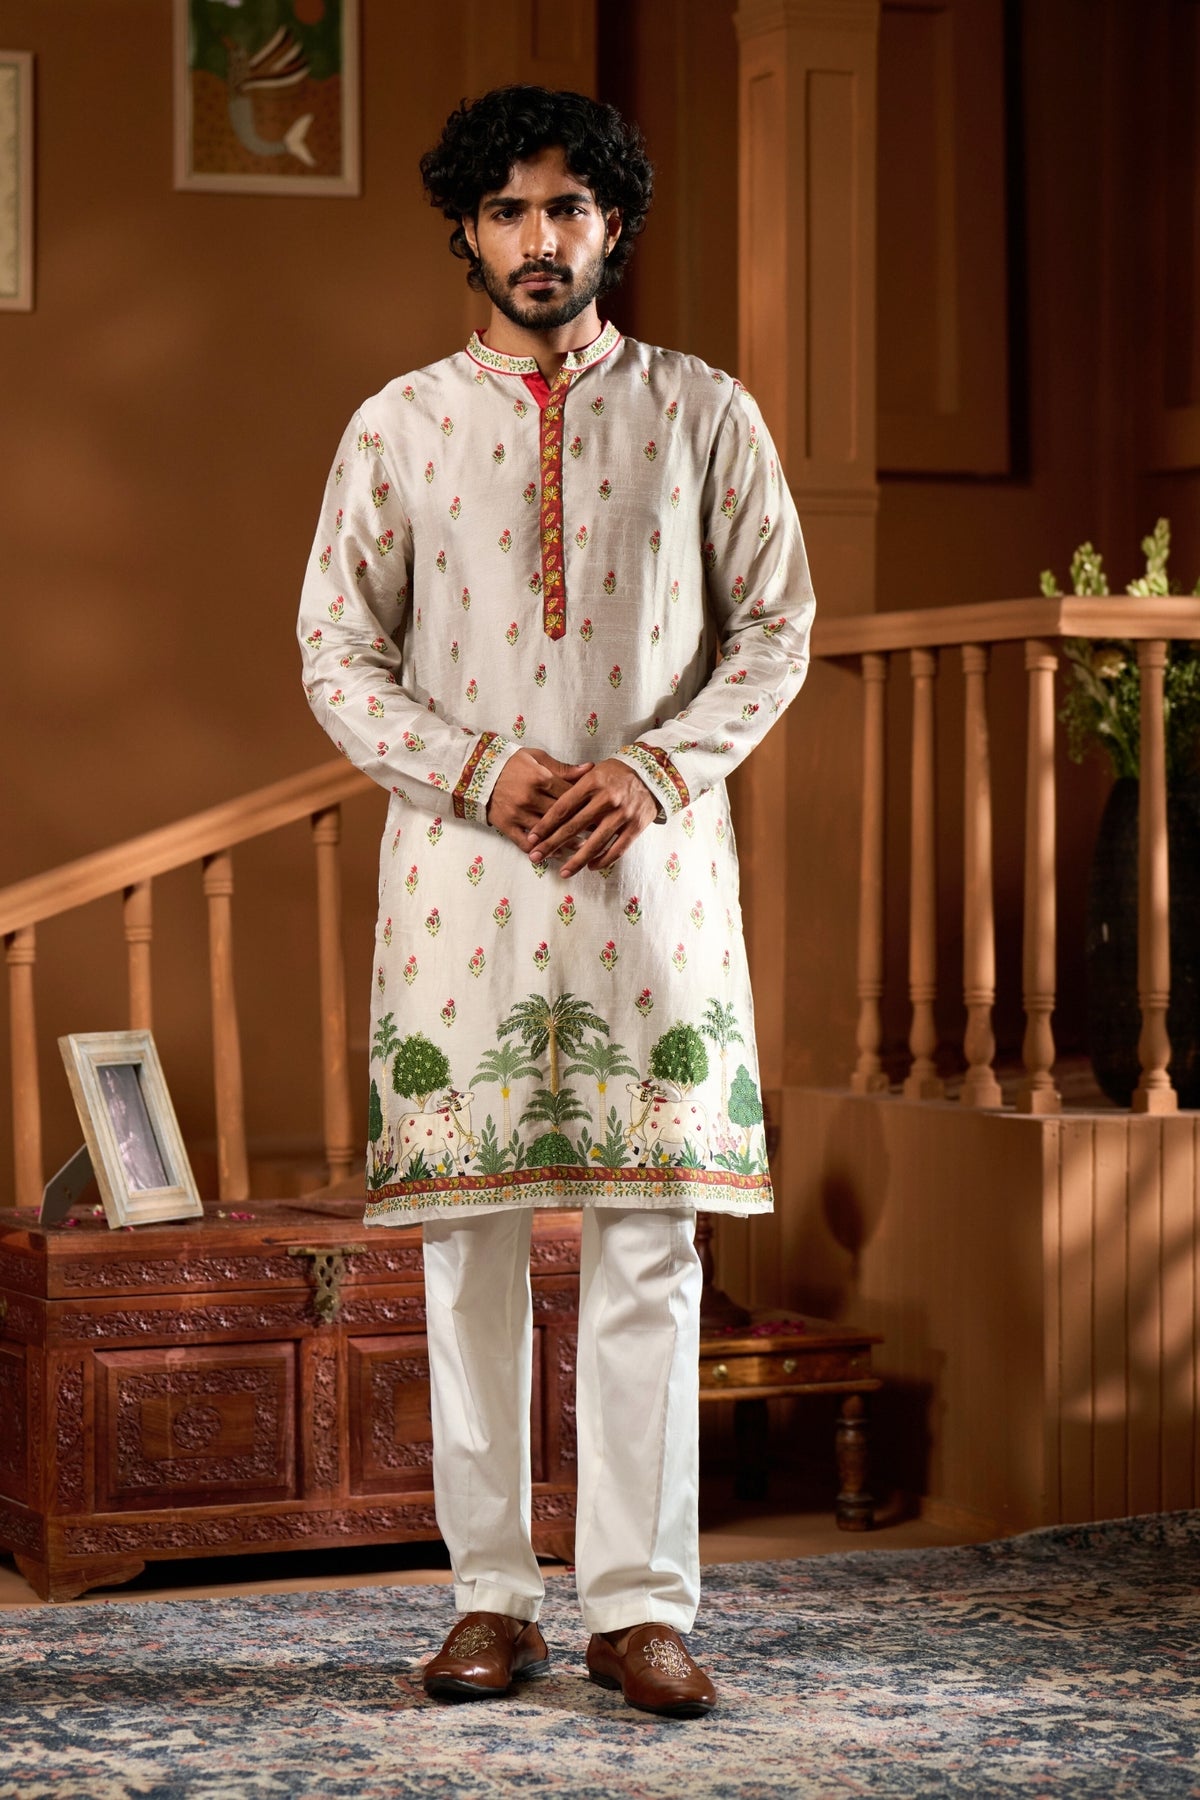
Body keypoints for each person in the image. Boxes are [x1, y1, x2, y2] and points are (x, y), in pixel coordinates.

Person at [297, 84, 815, 1718]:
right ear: (467, 230)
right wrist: (481, 771)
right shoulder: (398, 426)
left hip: (651, 876)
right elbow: (335, 652)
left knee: (649, 1246)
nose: (540, 238)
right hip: (466, 877)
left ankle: (641, 1609)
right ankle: (489, 1599)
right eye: (510, 209)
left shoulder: (703, 411)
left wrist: (653, 773)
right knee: (468, 1250)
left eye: (568, 207)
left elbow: (777, 628)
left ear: (615, 225)